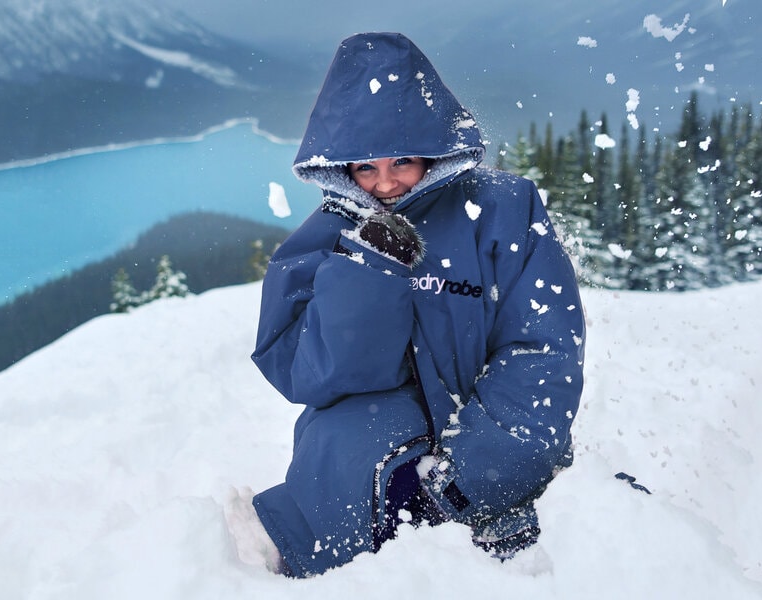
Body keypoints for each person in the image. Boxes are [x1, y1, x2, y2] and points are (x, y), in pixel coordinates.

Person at [234, 32, 586, 578]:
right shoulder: (329, 236)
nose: (386, 184)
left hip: (492, 455)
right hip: (359, 468)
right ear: (341, 168)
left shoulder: (503, 209)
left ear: (431, 147)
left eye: (402, 160)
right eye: (364, 168)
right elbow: (310, 373)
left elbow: (542, 349)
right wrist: (368, 269)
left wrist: (475, 477)